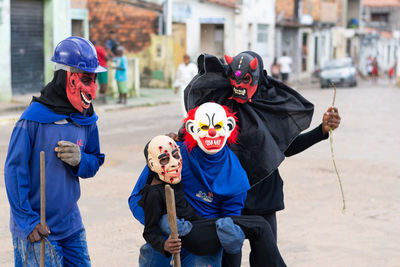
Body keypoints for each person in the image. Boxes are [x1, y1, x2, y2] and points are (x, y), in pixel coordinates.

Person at [184, 51, 341, 266]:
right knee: (230, 256)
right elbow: (199, 137)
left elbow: (285, 148)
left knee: (265, 257)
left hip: (264, 193)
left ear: (256, 76)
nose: (238, 83)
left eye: (245, 78)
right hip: (228, 195)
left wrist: (321, 131)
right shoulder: (219, 103)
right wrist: (179, 138)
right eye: (234, 77)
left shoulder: (271, 104)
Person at [130, 103, 285, 267]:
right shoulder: (172, 154)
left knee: (249, 228)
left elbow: (229, 232)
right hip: (165, 239)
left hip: (203, 245)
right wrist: (161, 226)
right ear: (192, 128)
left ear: (229, 127)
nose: (212, 132)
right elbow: (136, 199)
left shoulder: (235, 176)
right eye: (204, 126)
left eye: (218, 126)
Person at [4, 36, 106, 266]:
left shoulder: (87, 119)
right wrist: (27, 222)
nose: (93, 90)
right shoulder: (32, 120)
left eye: (94, 80)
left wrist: (81, 160)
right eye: (86, 79)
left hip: (70, 223)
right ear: (67, 78)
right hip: (36, 225)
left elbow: (94, 162)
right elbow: (14, 171)